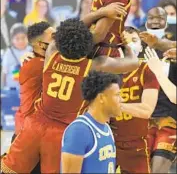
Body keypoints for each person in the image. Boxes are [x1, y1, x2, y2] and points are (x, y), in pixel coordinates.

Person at [1, 18, 139, 174]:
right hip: (62, 131)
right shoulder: (94, 65)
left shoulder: (52, 52)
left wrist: (98, 14)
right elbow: (133, 63)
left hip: (35, 124)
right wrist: (127, 45)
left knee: (8, 170)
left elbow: (63, 33)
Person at [110, 26, 160, 174]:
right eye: (126, 40)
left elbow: (147, 110)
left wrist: (115, 105)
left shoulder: (147, 70)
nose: (130, 44)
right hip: (108, 141)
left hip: (136, 144)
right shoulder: (105, 68)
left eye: (134, 40)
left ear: (141, 46)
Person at [61, 70, 122, 173]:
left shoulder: (106, 129)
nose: (121, 99)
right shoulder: (79, 131)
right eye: (117, 95)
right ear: (101, 98)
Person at [139, 10, 177, 173]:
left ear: (167, 21)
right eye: (151, 17)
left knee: (158, 170)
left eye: (160, 18)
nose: (155, 21)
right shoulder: (136, 41)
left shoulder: (171, 45)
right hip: (142, 119)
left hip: (170, 118)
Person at [1, 23, 31, 91]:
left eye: (23, 37)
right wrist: (2, 90)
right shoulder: (9, 53)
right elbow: (4, 73)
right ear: (12, 40)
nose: (21, 41)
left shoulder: (31, 51)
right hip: (11, 90)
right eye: (17, 38)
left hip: (28, 91)